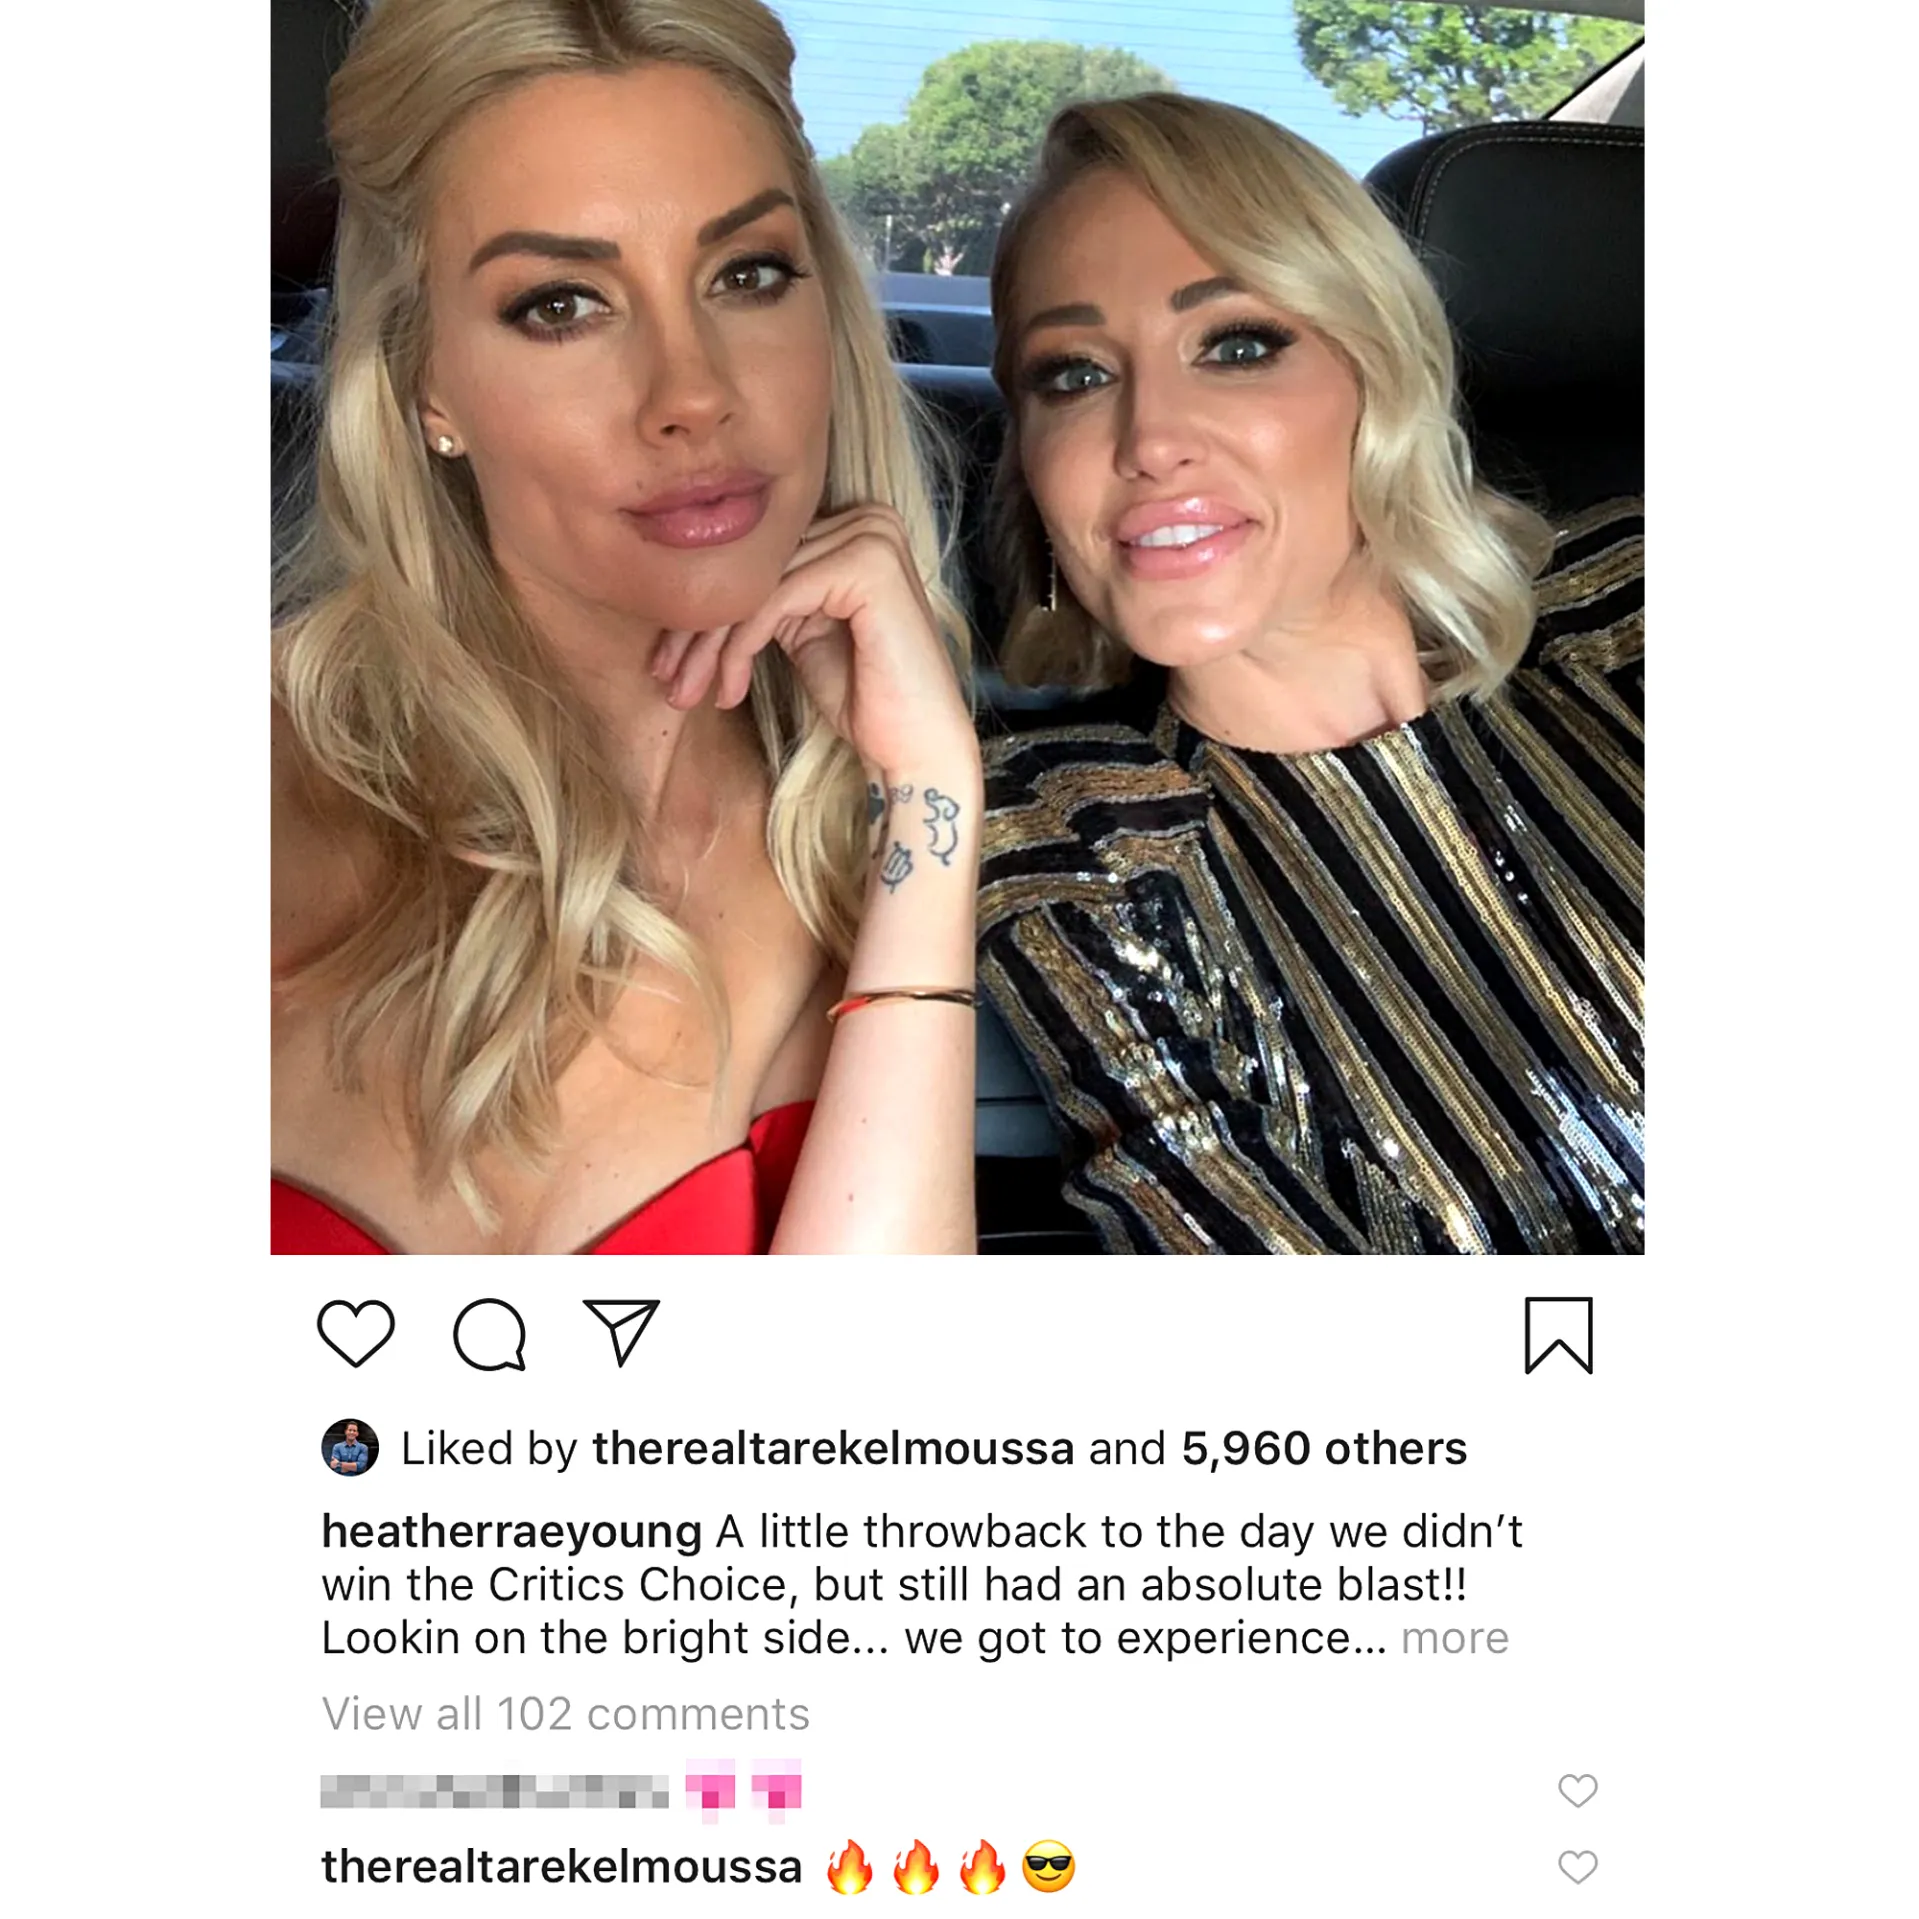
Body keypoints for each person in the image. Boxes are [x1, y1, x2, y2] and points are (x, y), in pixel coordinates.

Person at [271, 0, 982, 1254]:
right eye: (561, 304)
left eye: (747, 274)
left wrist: (932, 794)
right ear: (428, 379)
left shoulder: (843, 835)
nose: (692, 392)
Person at [977, 95, 1642, 1255]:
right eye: (1071, 375)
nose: (1147, 438)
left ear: (1379, 373)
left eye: (1235, 345)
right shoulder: (1068, 841)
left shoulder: (1631, 615)